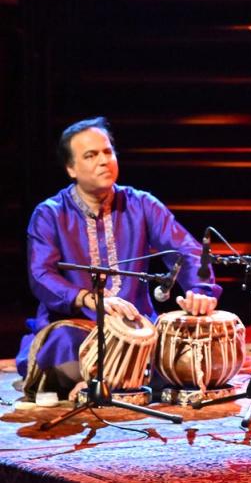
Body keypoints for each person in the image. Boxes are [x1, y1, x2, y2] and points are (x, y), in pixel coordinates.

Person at [15, 116, 221, 397]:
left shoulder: (141, 204)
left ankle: (109, 379)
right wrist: (89, 298)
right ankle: (116, 378)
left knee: (185, 344)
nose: (103, 160)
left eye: (107, 152)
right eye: (91, 155)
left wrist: (200, 290)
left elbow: (187, 250)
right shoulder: (49, 214)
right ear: (71, 168)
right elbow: (41, 275)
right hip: (79, 327)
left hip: (138, 327)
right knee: (62, 346)